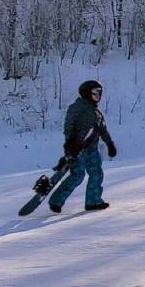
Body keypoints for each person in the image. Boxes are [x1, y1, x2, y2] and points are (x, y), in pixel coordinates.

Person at [49, 79, 118, 213]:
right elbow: (68, 127)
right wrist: (69, 145)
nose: (98, 96)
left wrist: (110, 144)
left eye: (100, 93)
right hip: (77, 148)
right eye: (95, 93)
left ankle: (93, 201)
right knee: (77, 175)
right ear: (87, 93)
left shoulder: (95, 112)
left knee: (96, 174)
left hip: (91, 149)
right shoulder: (76, 108)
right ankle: (56, 200)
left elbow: (102, 129)